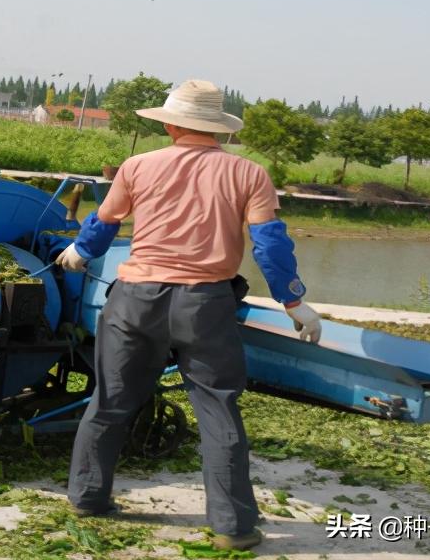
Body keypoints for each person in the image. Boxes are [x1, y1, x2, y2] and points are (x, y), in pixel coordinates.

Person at [55, 79, 322, 551]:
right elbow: (270, 244)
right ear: (217, 128)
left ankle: (88, 498)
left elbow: (105, 222)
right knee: (218, 409)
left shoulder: (138, 166)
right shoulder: (249, 174)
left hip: (134, 301)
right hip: (205, 305)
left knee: (111, 401)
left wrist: (79, 250)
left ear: (171, 123)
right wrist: (294, 301)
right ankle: (233, 528)